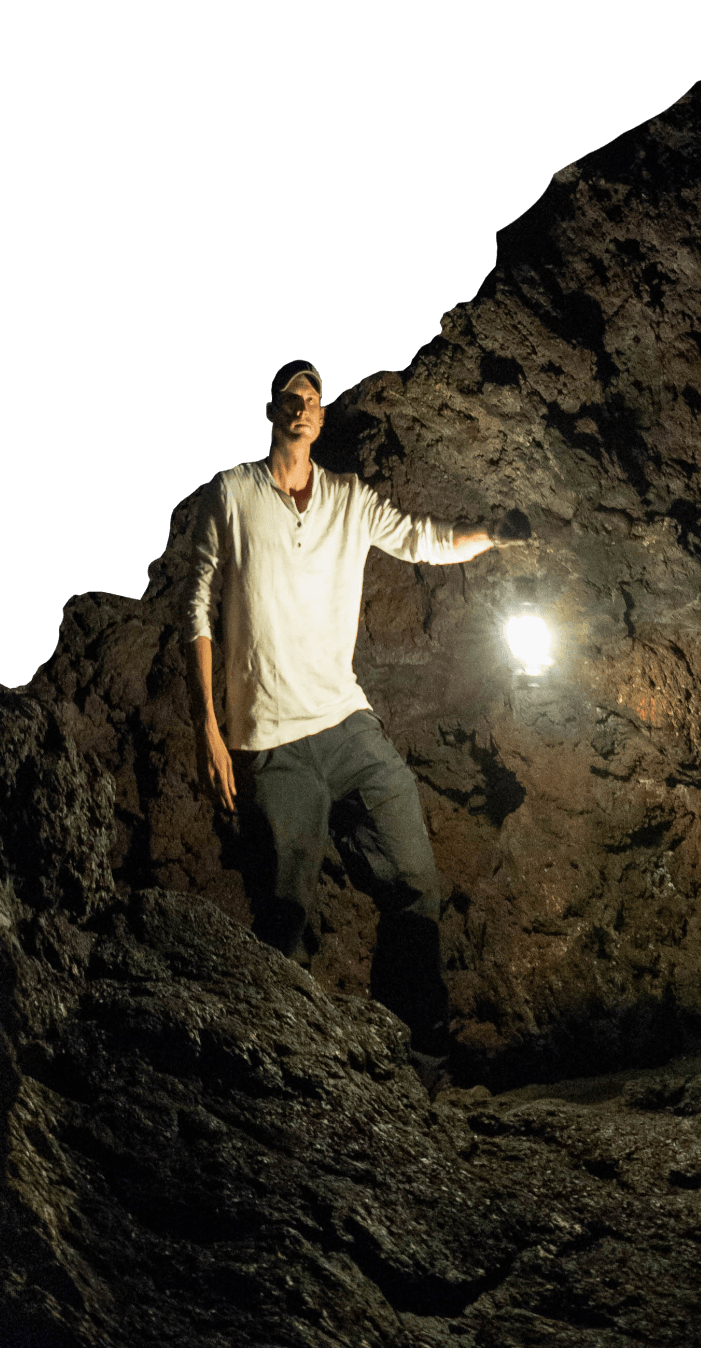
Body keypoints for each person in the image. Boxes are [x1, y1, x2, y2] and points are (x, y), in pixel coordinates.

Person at [183, 359, 494, 1090]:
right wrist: (208, 727)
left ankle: (419, 1072)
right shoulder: (230, 493)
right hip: (272, 738)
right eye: (290, 396)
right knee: (284, 916)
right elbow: (196, 607)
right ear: (270, 410)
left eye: (314, 399)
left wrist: (488, 537)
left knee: (414, 881)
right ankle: (271, 1088)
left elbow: (419, 537)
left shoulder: (350, 498)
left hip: (348, 722)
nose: (302, 407)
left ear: (323, 420)